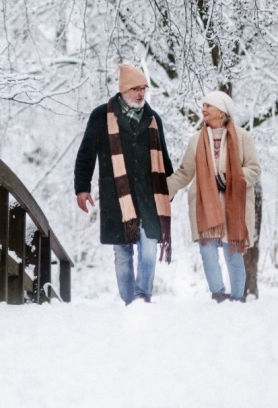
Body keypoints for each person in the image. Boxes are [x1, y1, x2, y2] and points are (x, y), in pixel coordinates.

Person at [74, 64, 173, 305]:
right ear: (123, 90)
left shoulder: (152, 119)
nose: (141, 93)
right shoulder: (101, 116)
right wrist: (82, 187)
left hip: (148, 195)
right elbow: (86, 153)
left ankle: (142, 297)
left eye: (144, 89)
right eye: (136, 88)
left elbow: (164, 156)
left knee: (149, 249)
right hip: (116, 195)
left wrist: (169, 187)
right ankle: (130, 302)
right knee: (122, 253)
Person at [166, 91, 261, 302]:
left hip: (235, 207)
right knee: (208, 253)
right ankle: (218, 296)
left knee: (233, 255)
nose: (204, 109)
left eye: (209, 106)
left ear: (222, 111)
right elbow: (184, 173)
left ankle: (237, 300)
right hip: (204, 206)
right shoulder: (195, 140)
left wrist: (232, 177)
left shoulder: (243, 137)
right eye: (203, 106)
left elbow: (254, 170)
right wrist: (162, 191)